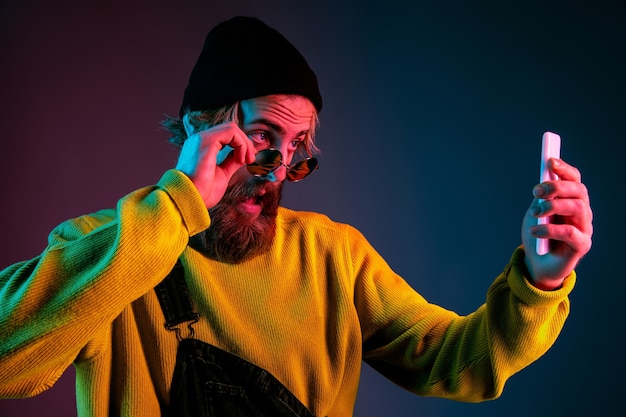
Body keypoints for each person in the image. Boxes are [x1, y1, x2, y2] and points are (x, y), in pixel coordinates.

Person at [0, 16, 593, 417]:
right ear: (199, 129)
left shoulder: (334, 258)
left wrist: (540, 282)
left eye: (297, 149)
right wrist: (178, 204)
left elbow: (460, 363)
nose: (278, 170)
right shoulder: (104, 250)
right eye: (261, 138)